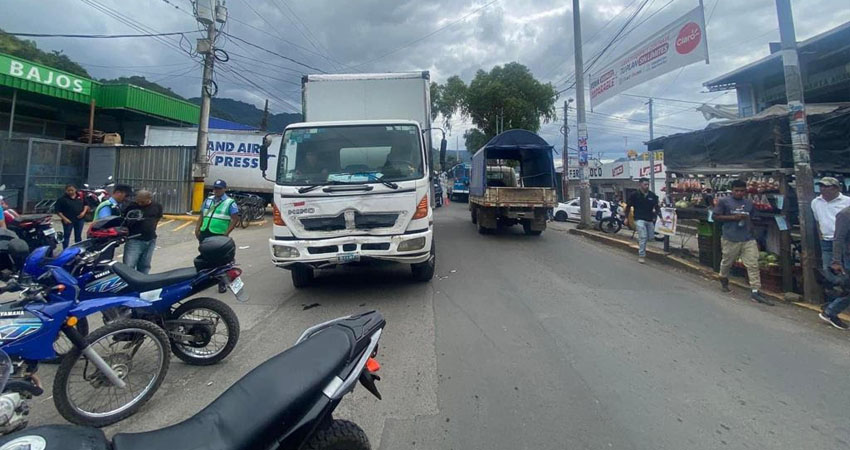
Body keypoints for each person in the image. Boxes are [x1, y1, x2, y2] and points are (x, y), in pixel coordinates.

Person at [714, 179, 771, 305]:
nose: (739, 193)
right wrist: (733, 218)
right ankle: (723, 278)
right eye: (736, 191)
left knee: (753, 264)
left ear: (745, 191)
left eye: (742, 191)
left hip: (747, 238)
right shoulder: (724, 202)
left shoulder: (749, 203)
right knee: (727, 262)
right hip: (730, 238)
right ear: (732, 190)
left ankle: (755, 290)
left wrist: (753, 233)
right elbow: (716, 217)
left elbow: (753, 218)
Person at [810, 177, 850, 274]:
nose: (823, 189)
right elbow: (817, 221)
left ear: (836, 188)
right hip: (827, 240)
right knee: (828, 270)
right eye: (821, 186)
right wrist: (821, 236)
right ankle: (834, 288)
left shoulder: (847, 201)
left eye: (826, 186)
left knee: (847, 267)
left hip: (845, 240)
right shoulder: (815, 202)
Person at [122, 190, 163, 274]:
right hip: (134, 239)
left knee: (145, 265)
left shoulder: (157, 206)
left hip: (150, 239)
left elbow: (158, 218)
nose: (140, 203)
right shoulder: (131, 206)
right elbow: (124, 219)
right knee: (129, 265)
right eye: (138, 201)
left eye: (143, 202)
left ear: (149, 199)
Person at [624, 178, 661, 264]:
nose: (646, 186)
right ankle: (641, 255)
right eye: (645, 184)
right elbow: (628, 206)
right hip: (639, 218)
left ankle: (640, 240)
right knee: (643, 237)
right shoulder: (635, 195)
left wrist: (661, 217)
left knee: (651, 238)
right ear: (640, 185)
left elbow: (657, 207)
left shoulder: (652, 195)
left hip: (649, 219)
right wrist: (626, 218)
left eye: (647, 184)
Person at [54, 184, 89, 248]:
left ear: (75, 190)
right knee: (66, 236)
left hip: (80, 219)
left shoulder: (81, 197)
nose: (70, 192)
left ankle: (78, 250)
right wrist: (64, 219)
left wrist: (83, 213)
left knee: (78, 235)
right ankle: (65, 250)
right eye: (68, 190)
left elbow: (86, 205)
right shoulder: (62, 199)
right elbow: (58, 211)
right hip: (68, 220)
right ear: (65, 191)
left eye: (72, 190)